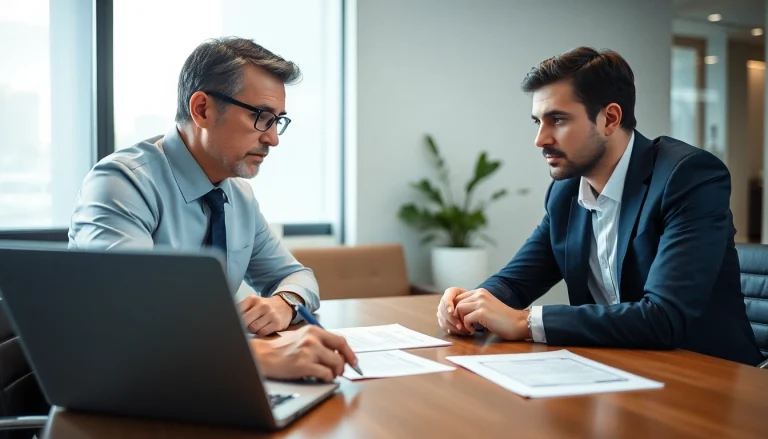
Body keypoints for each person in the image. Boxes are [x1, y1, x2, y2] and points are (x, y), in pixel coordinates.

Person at [436, 46, 763, 366]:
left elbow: (664, 317)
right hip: (616, 368)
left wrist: (525, 321)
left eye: (557, 119)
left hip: (705, 374)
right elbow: (515, 282)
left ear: (610, 118)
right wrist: (469, 306)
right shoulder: (565, 193)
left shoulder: (687, 177)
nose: (540, 139)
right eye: (538, 122)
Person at [69, 37, 358, 380]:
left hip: (203, 380)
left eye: (277, 121)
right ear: (202, 109)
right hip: (123, 384)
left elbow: (297, 277)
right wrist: (257, 356)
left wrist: (282, 304)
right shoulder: (122, 185)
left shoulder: (238, 196)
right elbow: (130, 318)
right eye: (261, 117)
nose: (273, 138)